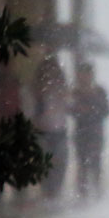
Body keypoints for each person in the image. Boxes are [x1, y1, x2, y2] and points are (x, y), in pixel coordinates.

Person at [71, 62, 109, 199]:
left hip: (95, 132)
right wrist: (80, 110)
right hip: (81, 133)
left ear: (92, 75)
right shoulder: (75, 92)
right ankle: (83, 193)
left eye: (88, 74)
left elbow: (106, 111)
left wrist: (92, 110)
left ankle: (97, 191)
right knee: (82, 163)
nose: (85, 77)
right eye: (83, 74)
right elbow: (71, 110)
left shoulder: (99, 91)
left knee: (96, 162)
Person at [34, 56, 69, 199]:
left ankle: (56, 191)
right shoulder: (36, 92)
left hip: (59, 131)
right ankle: (47, 191)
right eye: (47, 72)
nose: (50, 76)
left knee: (60, 162)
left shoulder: (62, 89)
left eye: (53, 72)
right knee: (44, 164)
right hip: (43, 131)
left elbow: (69, 105)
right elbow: (32, 111)